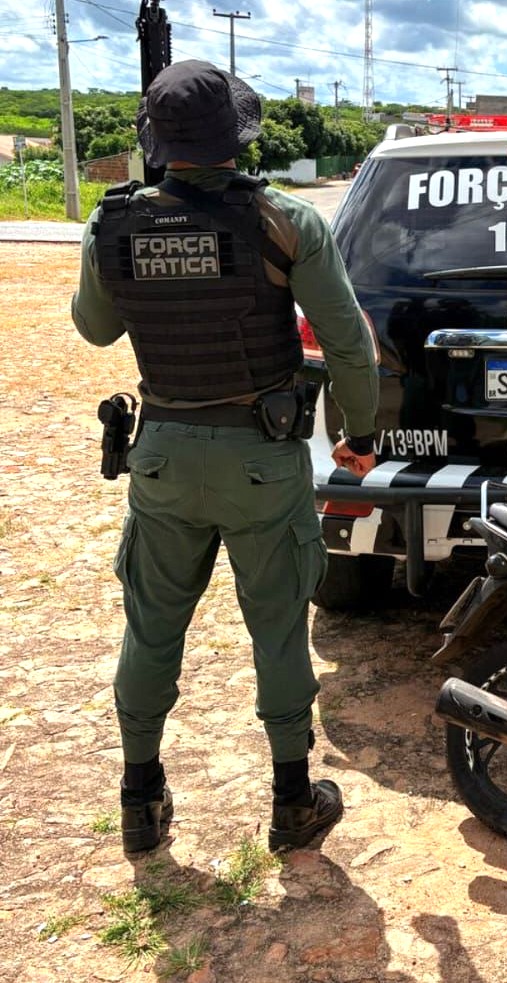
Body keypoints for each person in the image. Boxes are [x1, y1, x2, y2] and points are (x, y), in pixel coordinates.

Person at [71, 60, 380, 856]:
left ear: (156, 140)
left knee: (150, 629)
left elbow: (95, 329)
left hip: (163, 459)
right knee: (278, 628)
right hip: (261, 459)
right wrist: (360, 435)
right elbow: (349, 346)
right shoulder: (284, 220)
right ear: (236, 138)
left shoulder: (112, 223)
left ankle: (140, 797)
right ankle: (292, 800)